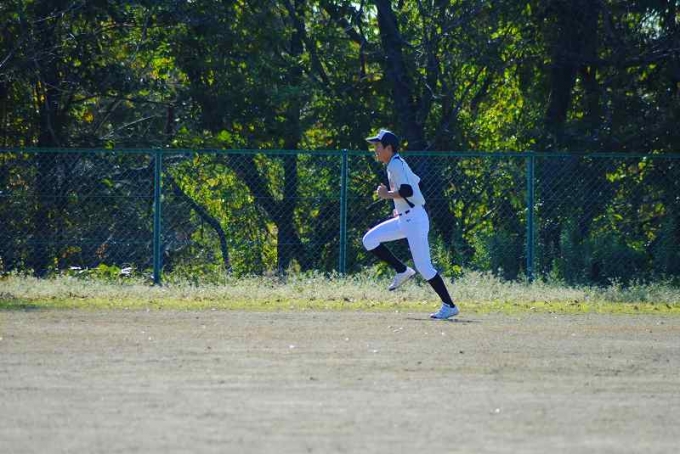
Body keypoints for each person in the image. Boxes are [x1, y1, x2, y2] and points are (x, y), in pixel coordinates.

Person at [362, 129, 459, 319]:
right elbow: (419, 184)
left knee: (424, 267)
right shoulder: (397, 163)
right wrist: (401, 207)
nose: (375, 150)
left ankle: (449, 306)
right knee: (369, 240)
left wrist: (386, 195)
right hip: (406, 218)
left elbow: (407, 190)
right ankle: (402, 270)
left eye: (378, 146)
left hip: (414, 220)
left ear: (389, 148)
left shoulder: (395, 165)